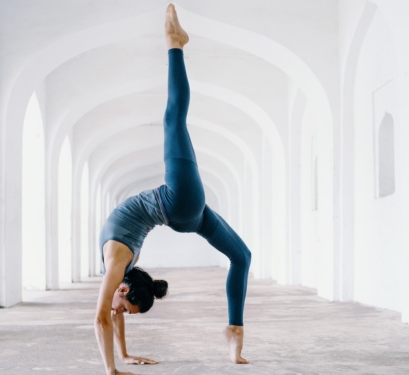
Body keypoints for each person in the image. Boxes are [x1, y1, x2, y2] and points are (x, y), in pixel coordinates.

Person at [94, 4, 252, 375]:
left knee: (242, 256)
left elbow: (103, 318)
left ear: (122, 290)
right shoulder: (119, 271)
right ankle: (174, 45)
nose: (120, 313)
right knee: (173, 120)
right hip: (180, 205)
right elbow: (111, 315)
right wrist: (120, 360)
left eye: (125, 310)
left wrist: (114, 368)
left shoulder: (117, 264)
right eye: (128, 310)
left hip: (182, 208)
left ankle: (174, 44)